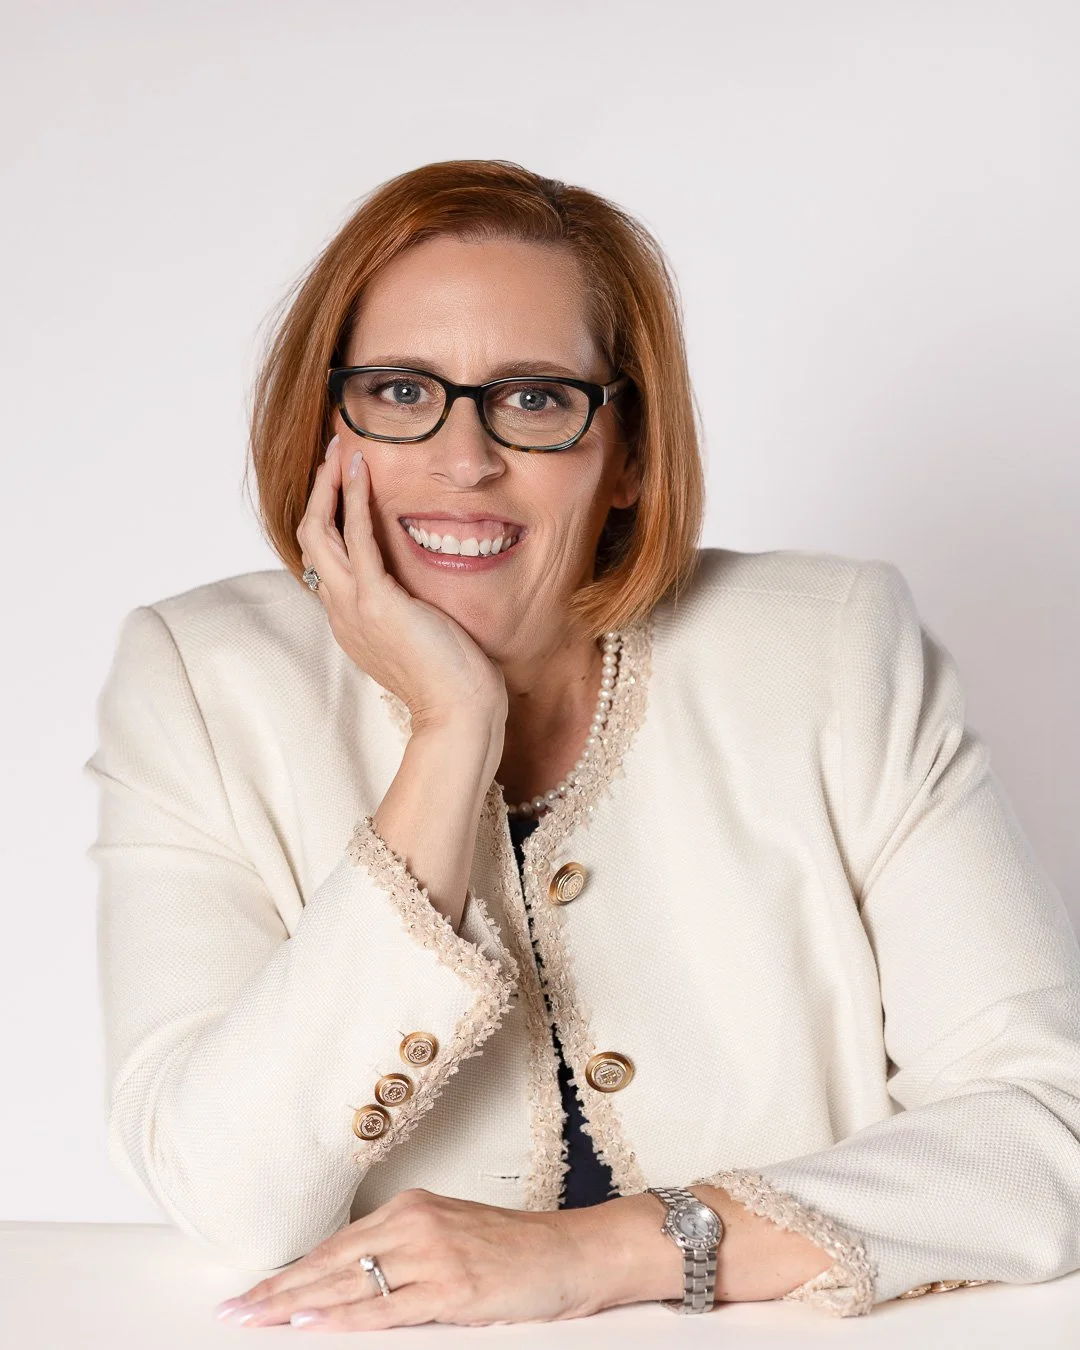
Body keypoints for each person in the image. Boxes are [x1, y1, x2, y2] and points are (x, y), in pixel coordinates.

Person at [83, 160, 1080, 1332]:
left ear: (632, 456)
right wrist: (452, 736)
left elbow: (1044, 1125)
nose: (464, 459)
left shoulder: (828, 649)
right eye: (402, 392)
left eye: (537, 399)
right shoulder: (201, 678)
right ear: (324, 427)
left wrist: (605, 1251)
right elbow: (228, 1193)